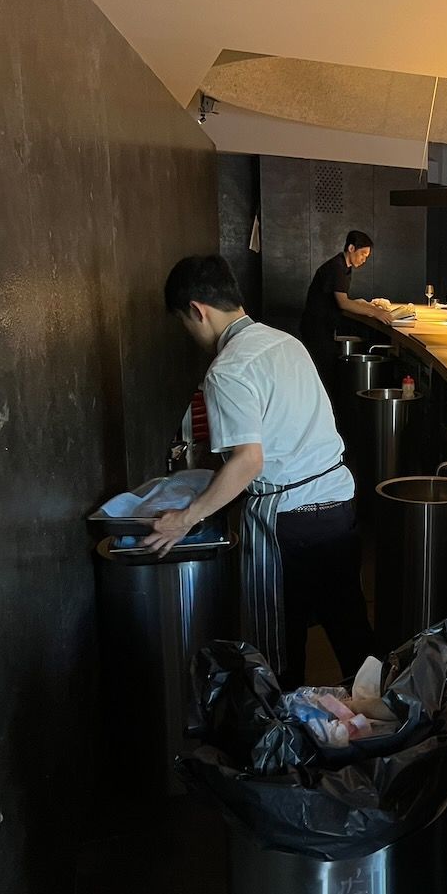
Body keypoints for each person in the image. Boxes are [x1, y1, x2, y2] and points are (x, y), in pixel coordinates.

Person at [146, 256, 376, 690]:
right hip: (337, 505)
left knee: (278, 650)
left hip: (289, 522)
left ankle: (287, 742)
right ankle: (384, 728)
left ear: (198, 310)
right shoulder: (284, 341)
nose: (190, 334)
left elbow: (248, 460)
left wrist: (186, 517)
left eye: (184, 322)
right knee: (352, 634)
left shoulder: (228, 367)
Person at [300, 229, 393, 376]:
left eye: (366, 256)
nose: (364, 259)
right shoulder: (337, 267)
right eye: (362, 254)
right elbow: (343, 303)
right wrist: (376, 312)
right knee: (324, 373)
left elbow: (337, 298)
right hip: (316, 328)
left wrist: (363, 304)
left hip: (323, 326)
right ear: (351, 248)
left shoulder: (344, 267)